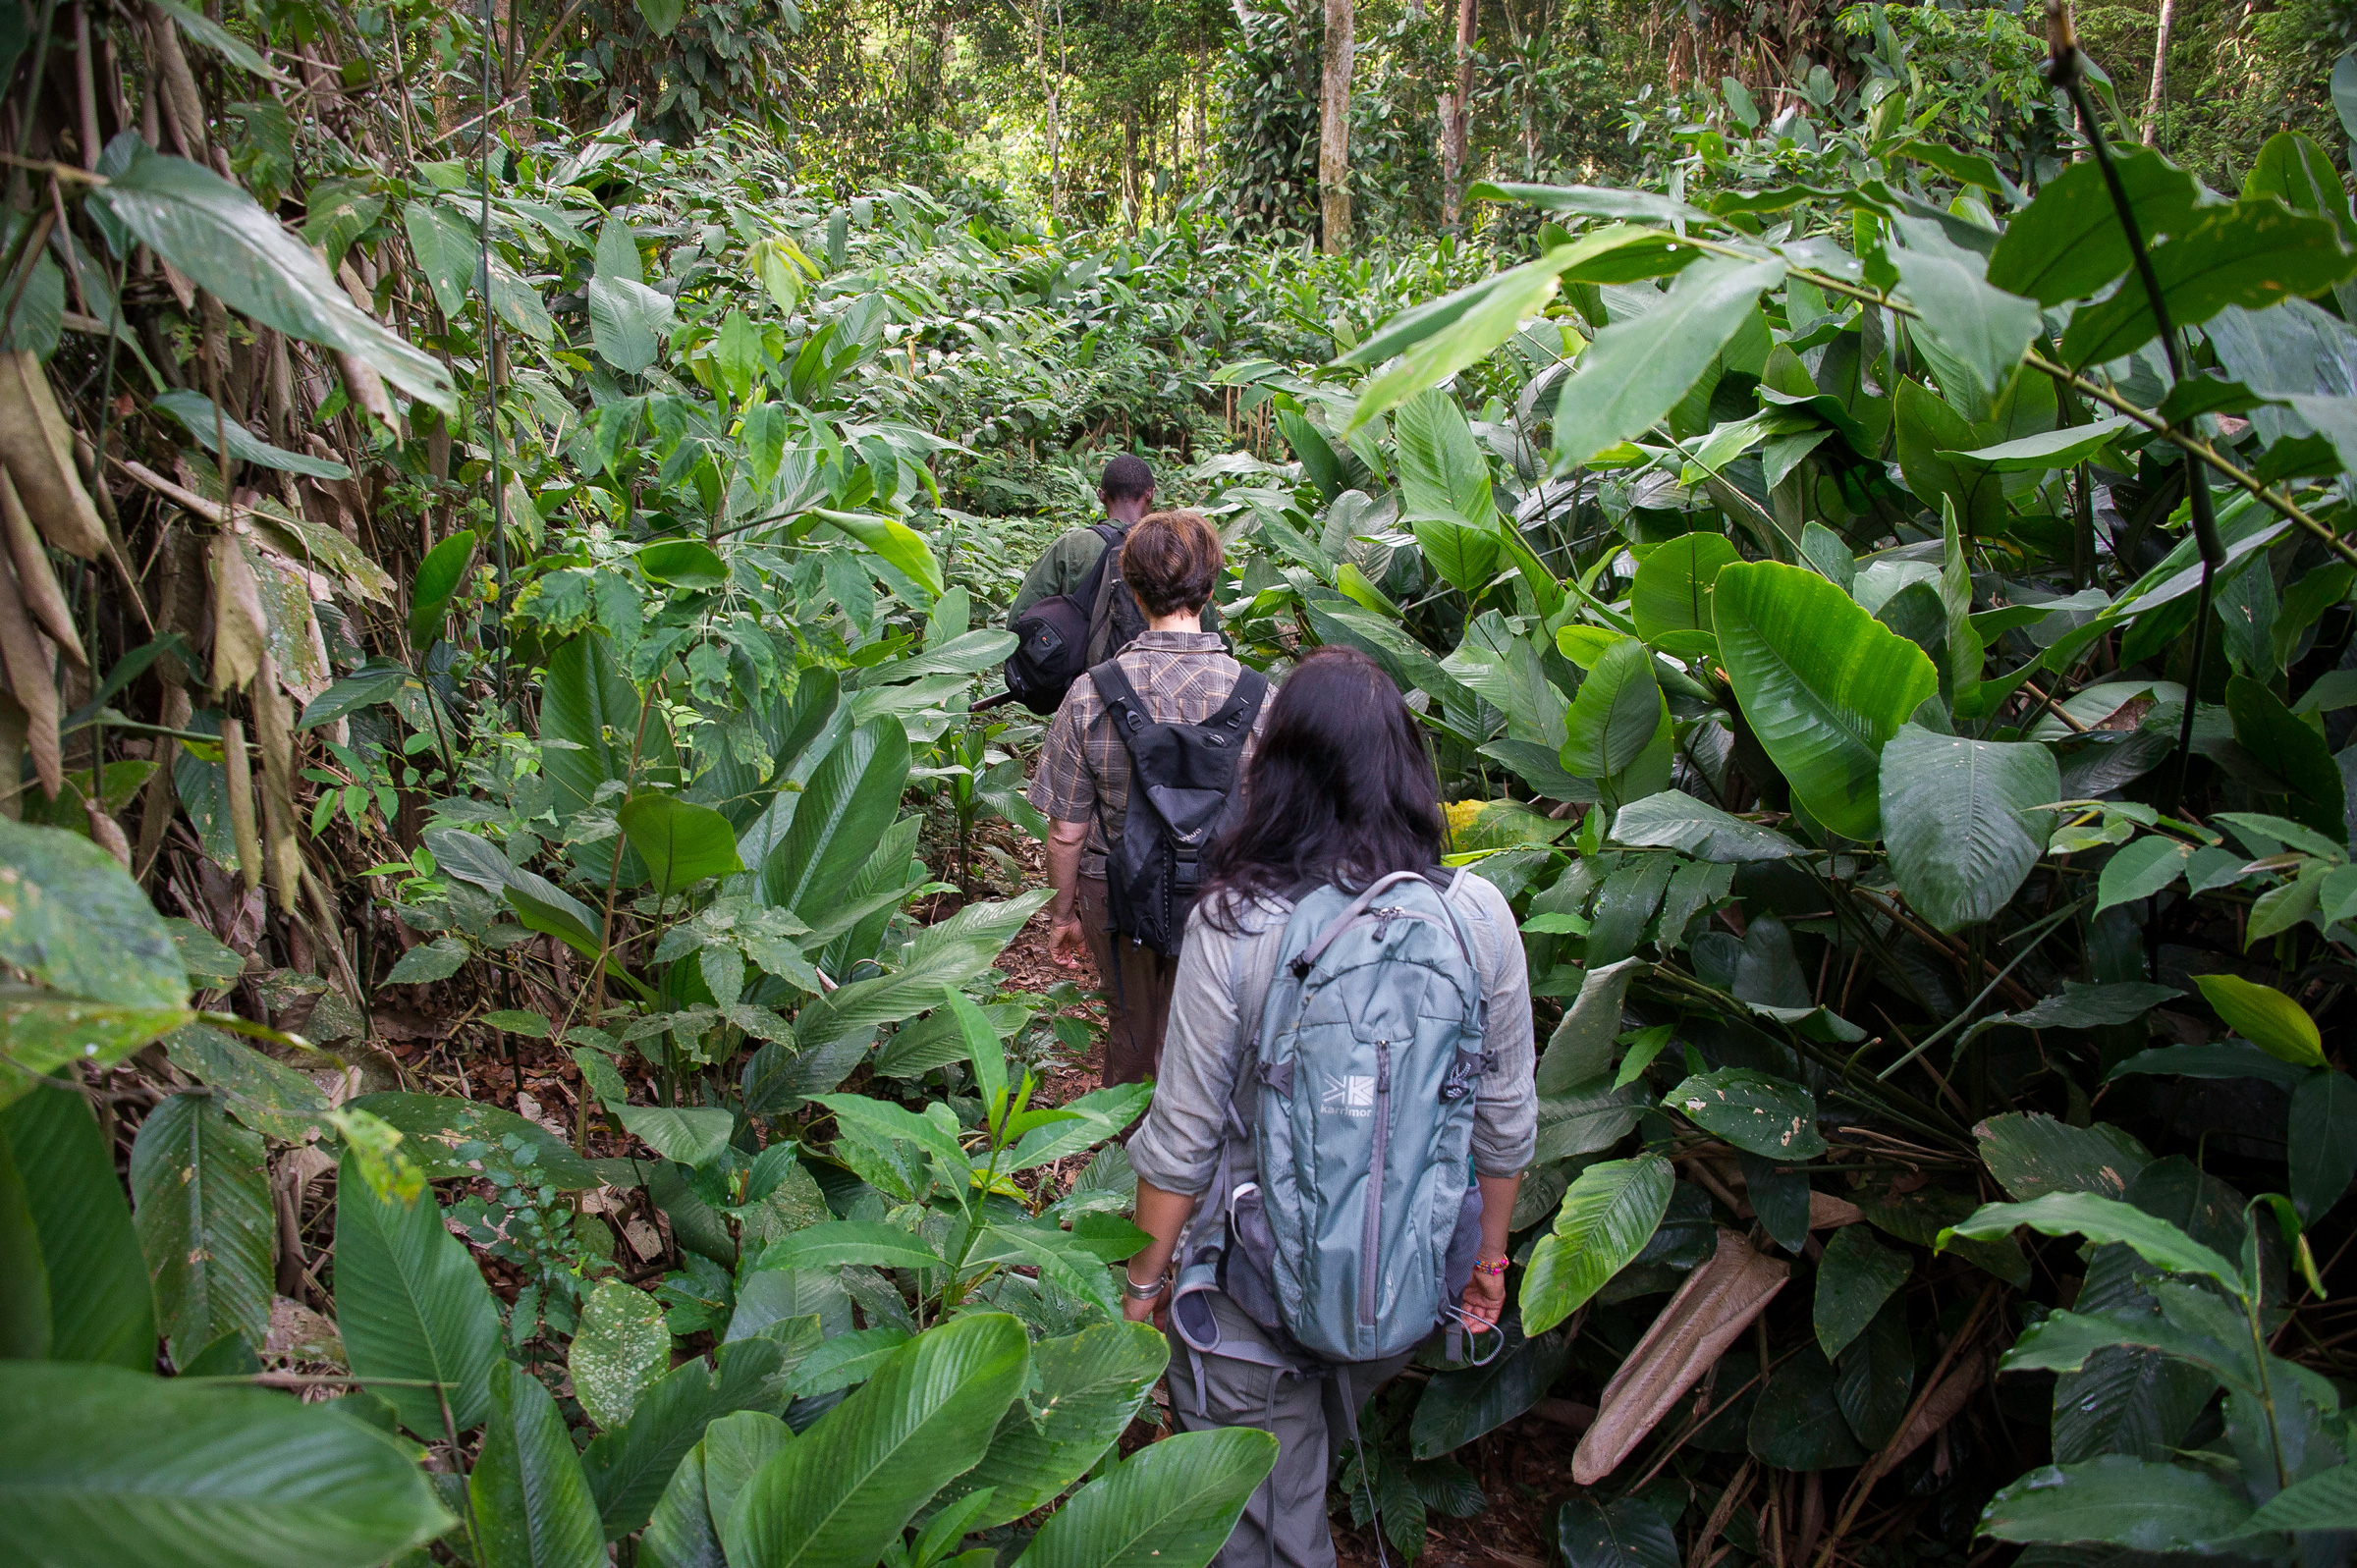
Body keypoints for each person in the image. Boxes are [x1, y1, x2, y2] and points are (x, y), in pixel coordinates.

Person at [1117, 646, 1537, 1568]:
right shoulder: (1477, 917)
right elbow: (1503, 1120)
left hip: (1246, 1300)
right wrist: (1490, 1261)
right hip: (1401, 1281)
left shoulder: (1235, 920)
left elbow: (1180, 1140)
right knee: (1313, 1431)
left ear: (1278, 774)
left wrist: (1144, 1287)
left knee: (1267, 1526)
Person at [1028, 510, 1267, 1087]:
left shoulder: (1091, 693)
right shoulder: (1261, 698)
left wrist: (1061, 915)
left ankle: (1125, 1161)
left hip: (1115, 889)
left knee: (1131, 1034)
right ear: (1209, 589)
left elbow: (1067, 832)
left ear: (1132, 591)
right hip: (1219, 896)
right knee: (1203, 1037)